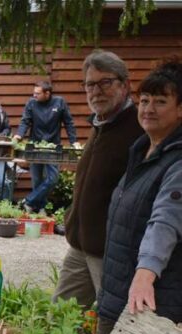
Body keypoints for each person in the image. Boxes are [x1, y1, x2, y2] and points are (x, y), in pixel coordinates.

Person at [98, 57, 182, 334]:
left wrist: (146, 271)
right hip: (121, 288)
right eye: (144, 99)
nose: (148, 108)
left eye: (160, 102)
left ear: (181, 109)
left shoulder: (177, 162)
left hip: (152, 294)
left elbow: (165, 219)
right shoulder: (144, 152)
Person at [53, 50, 143, 308]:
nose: (97, 91)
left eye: (106, 82)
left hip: (110, 253)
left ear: (125, 85)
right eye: (90, 84)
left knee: (113, 324)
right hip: (81, 246)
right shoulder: (100, 124)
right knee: (59, 316)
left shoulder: (138, 130)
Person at [14, 81, 78, 212]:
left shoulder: (59, 102)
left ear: (47, 93)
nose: (34, 95)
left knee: (53, 179)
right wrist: (18, 135)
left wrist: (74, 142)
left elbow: (69, 123)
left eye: (37, 93)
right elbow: (25, 121)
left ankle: (29, 201)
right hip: (34, 146)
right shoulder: (31, 103)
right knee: (37, 180)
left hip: (53, 147)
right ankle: (39, 208)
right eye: (34, 93)